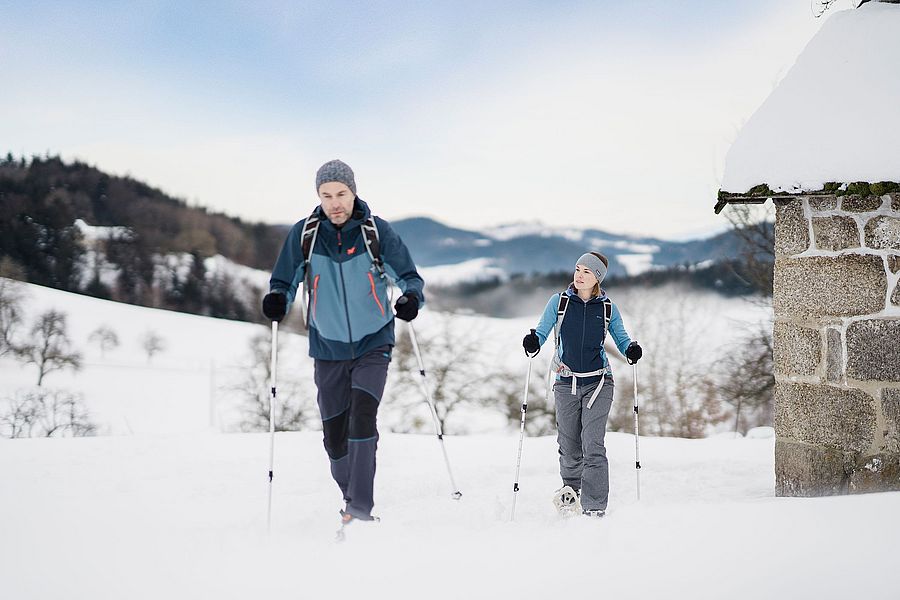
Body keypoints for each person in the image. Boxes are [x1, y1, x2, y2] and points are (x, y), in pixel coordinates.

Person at [262, 159, 424, 526]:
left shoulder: (376, 232)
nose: (335, 203)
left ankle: (360, 509)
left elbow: (410, 277)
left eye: (341, 194)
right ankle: (351, 498)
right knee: (335, 438)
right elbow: (283, 282)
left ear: (354, 192)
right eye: (326, 195)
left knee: (363, 418)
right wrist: (277, 299)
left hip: (374, 341)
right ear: (318, 196)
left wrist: (411, 299)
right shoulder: (304, 235)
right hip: (327, 345)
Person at [522, 251, 642, 518]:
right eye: (578, 269)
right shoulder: (559, 302)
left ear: (597, 277)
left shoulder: (607, 307)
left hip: (599, 382)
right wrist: (533, 341)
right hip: (566, 382)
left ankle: (595, 507)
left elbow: (621, 338)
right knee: (569, 445)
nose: (579, 275)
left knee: (593, 444)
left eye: (587, 271)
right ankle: (571, 494)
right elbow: (542, 331)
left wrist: (631, 349)